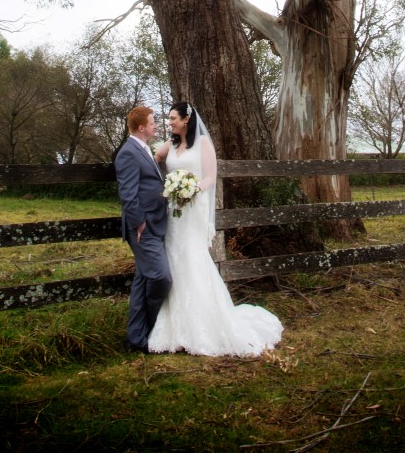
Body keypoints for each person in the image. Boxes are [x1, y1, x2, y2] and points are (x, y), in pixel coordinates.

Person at [148, 101, 283, 357]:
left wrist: (191, 188)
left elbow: (210, 176)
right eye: (167, 119)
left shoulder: (203, 144)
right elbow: (153, 159)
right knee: (174, 259)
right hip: (173, 213)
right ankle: (176, 324)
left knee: (191, 257)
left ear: (186, 119)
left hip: (192, 209)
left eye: (173, 118)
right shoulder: (171, 144)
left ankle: (205, 321)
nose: (169, 122)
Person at [114, 106, 172, 352]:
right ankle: (150, 326)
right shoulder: (128, 153)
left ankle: (137, 339)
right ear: (141, 127)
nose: (155, 125)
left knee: (143, 280)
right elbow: (127, 194)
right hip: (143, 228)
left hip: (155, 223)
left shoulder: (144, 149)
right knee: (161, 277)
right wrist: (139, 223)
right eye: (152, 122)